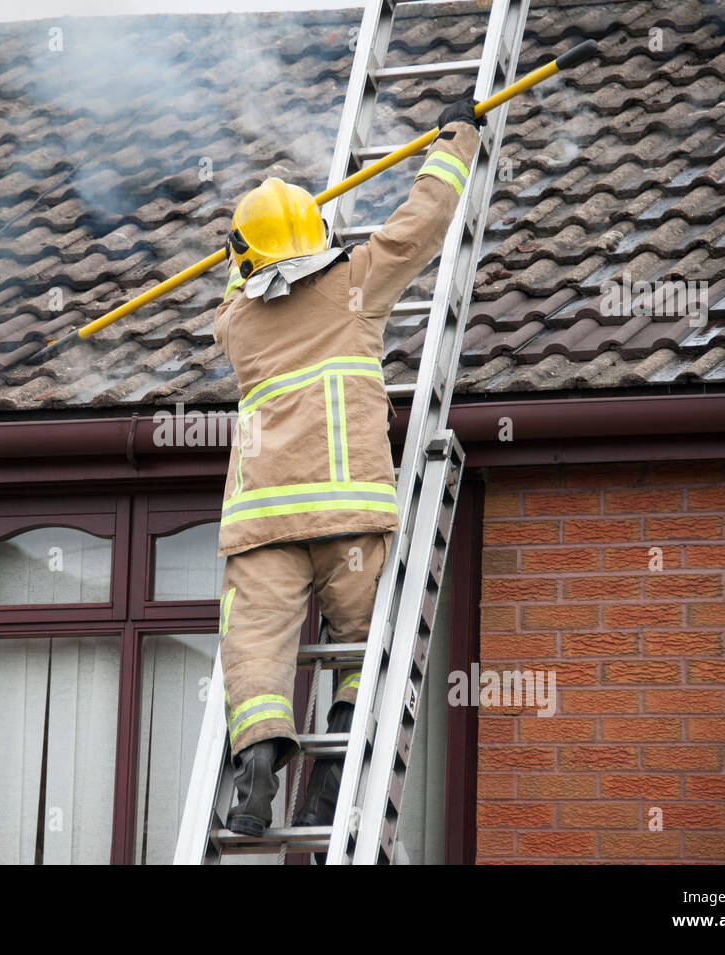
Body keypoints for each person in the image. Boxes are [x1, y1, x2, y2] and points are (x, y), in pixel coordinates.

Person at [212, 99, 484, 836]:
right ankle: (329, 781)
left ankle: (258, 766)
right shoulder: (356, 285)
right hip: (350, 515)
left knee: (257, 646)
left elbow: (234, 293)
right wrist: (455, 141)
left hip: (262, 518)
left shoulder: (236, 324)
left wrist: (241, 263)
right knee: (363, 643)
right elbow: (420, 225)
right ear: (317, 233)